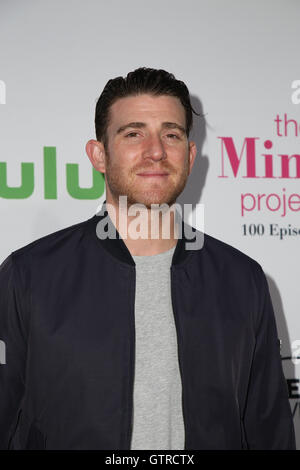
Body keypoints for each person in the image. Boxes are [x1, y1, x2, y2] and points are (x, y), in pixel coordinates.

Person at [0, 67, 296, 450]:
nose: (155, 150)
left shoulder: (242, 279)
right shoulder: (29, 276)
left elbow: (269, 432)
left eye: (171, 134)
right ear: (99, 154)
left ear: (189, 155)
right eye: (133, 133)